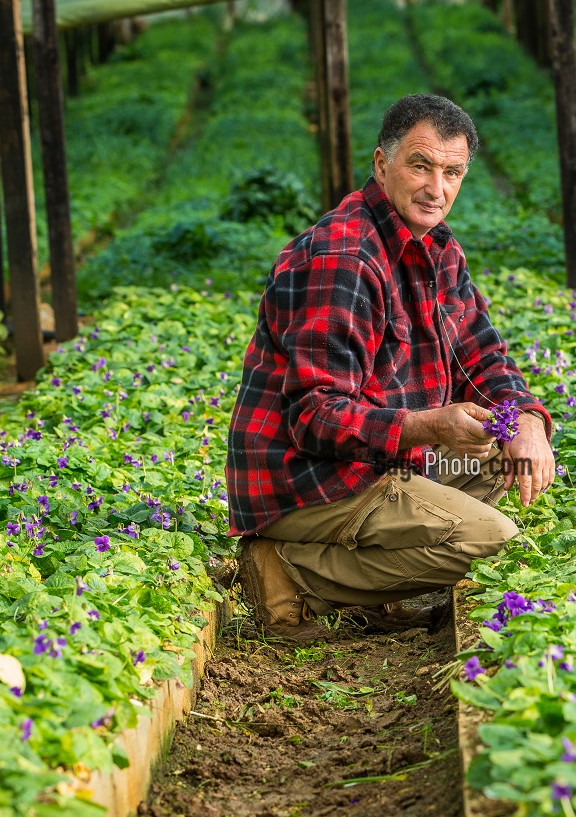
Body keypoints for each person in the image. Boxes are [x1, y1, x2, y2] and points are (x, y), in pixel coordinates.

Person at [225, 94, 555, 643]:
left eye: (452, 172)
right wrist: (430, 426)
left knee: (509, 459)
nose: (437, 189)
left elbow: (482, 356)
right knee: (490, 539)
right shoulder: (345, 260)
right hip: (310, 477)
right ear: (382, 165)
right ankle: (291, 572)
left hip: (379, 460)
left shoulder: (438, 250)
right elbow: (315, 417)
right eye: (420, 166)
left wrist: (525, 420)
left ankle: (361, 578)